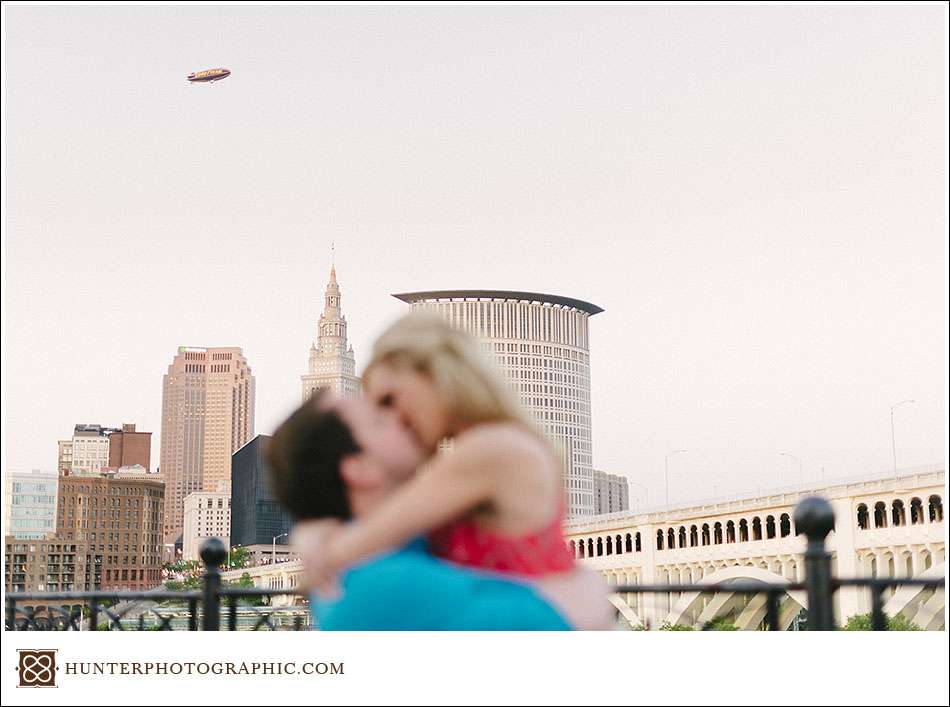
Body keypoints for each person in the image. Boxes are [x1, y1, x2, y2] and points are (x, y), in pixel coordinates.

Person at [267, 391, 613, 630]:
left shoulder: (389, 547)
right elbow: (570, 622)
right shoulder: (382, 585)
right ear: (358, 469)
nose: (398, 415)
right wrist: (585, 580)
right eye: (377, 420)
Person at [302, 314, 576, 590]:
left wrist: (312, 538)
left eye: (389, 400)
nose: (393, 420)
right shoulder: (504, 441)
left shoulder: (487, 449)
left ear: (434, 373)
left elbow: (347, 550)